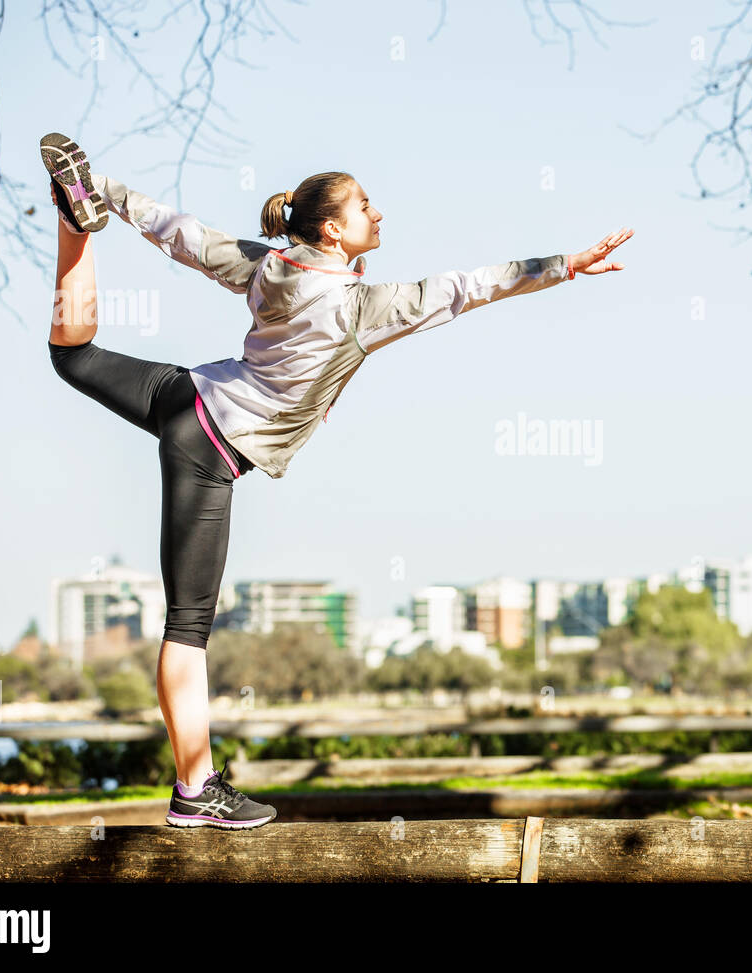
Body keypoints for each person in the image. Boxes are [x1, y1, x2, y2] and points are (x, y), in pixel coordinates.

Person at [40, 131, 633, 829]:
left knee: (73, 359)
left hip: (185, 394)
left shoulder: (268, 265)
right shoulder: (360, 309)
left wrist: (103, 191)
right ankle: (195, 786)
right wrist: (563, 264)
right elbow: (470, 287)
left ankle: (71, 217)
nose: (377, 215)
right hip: (208, 444)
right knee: (188, 625)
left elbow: (180, 233)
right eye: (365, 207)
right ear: (334, 229)